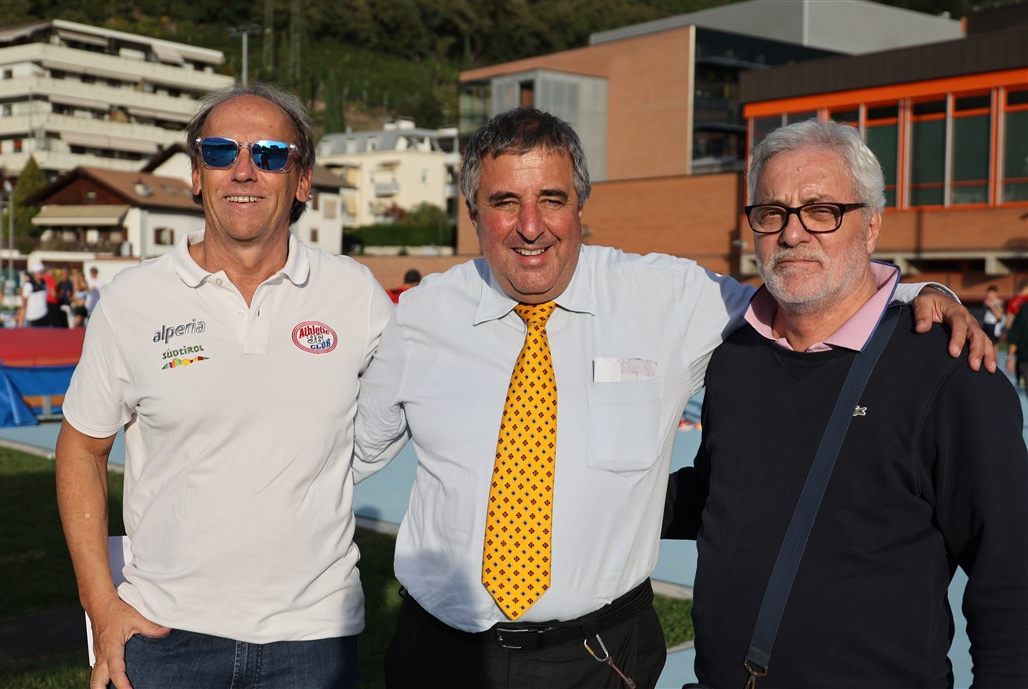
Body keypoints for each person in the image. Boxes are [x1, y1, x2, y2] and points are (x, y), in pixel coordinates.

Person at [352, 108, 995, 689]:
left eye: (552, 199)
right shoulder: (421, 317)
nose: (530, 226)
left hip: (601, 659)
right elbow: (351, 453)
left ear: (580, 206)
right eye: (503, 202)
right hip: (440, 656)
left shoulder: (671, 297)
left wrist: (919, 294)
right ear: (472, 213)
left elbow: (810, 287)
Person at [663, 119, 1028, 688]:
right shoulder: (736, 357)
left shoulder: (950, 372)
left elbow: (1010, 573)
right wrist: (603, 498)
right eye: (772, 213)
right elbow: (726, 493)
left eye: (821, 210)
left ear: (871, 225)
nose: (792, 233)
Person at [56, 82, 393, 689]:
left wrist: (332, 468)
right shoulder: (133, 300)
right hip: (164, 636)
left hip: (313, 641)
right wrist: (100, 603)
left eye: (269, 154)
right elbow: (81, 446)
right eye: (219, 152)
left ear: (303, 181)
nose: (243, 171)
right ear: (196, 174)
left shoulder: (354, 294)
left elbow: (410, 400)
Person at [1007, 304, 1028, 390]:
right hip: (1025, 360)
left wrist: (1010, 358)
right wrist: (1010, 357)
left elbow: (1015, 335)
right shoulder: (1024, 311)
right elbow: (1015, 335)